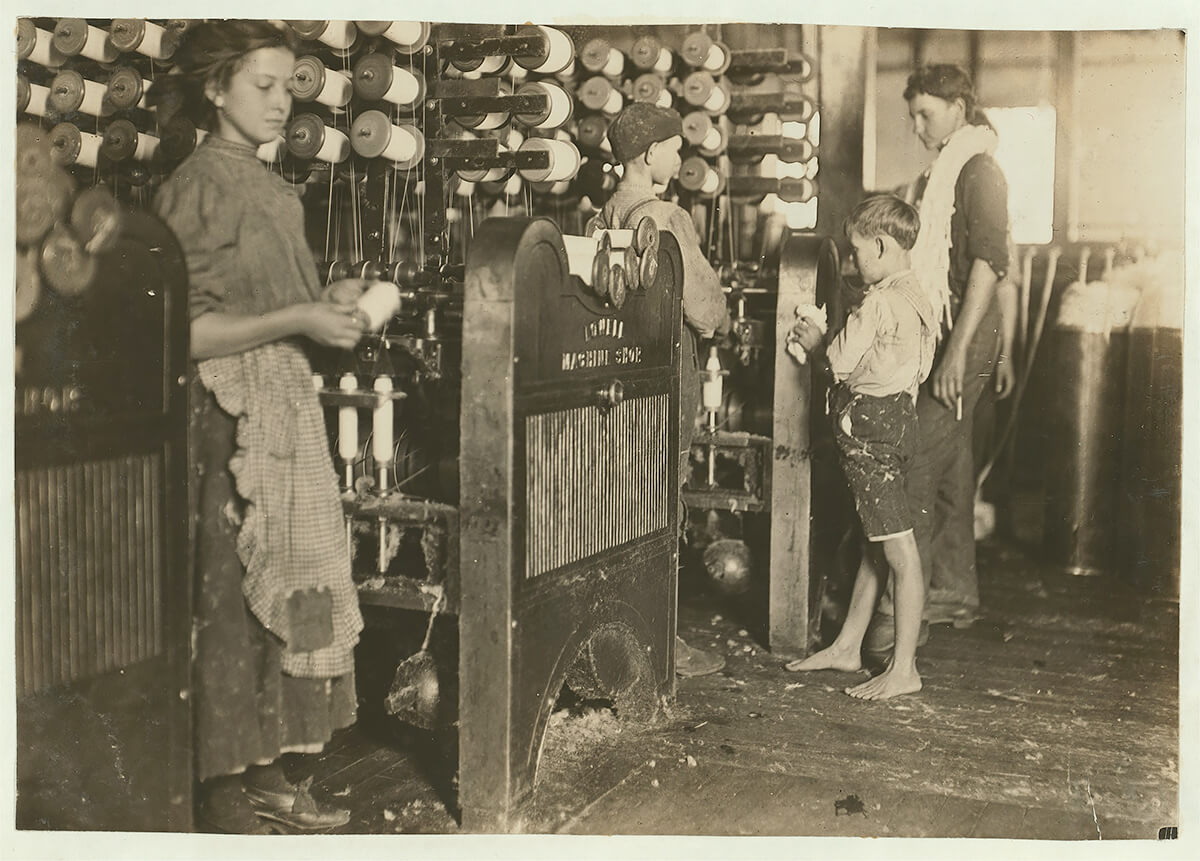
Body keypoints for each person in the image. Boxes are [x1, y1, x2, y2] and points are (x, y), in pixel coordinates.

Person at [151, 21, 373, 833]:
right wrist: (300, 314)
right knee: (240, 601)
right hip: (228, 425)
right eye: (263, 86)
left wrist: (330, 306)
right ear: (215, 90)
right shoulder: (199, 185)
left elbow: (278, 308)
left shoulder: (269, 185)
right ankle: (223, 786)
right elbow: (183, 331)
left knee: (307, 586)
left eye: (291, 86)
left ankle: (283, 768)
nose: (283, 103)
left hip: (283, 404)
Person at [866, 65, 1010, 652]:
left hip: (962, 335)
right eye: (914, 114)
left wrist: (956, 353)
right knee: (952, 462)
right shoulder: (946, 170)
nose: (919, 125)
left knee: (917, 460)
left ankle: (905, 608)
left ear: (959, 106)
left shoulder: (978, 170)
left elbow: (988, 264)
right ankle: (952, 588)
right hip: (955, 331)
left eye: (927, 113)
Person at [784, 195, 936, 700]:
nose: (851, 263)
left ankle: (905, 668)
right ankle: (849, 646)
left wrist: (813, 337)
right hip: (898, 423)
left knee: (899, 551)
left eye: (855, 253)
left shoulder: (878, 302)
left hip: (871, 431)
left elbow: (839, 364)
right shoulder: (918, 294)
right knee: (877, 539)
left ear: (879, 245)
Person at [603, 102, 732, 678]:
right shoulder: (668, 217)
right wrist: (721, 310)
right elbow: (707, 311)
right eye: (675, 147)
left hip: (620, 370)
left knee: (621, 494)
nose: (681, 157)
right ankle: (665, 639)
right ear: (651, 153)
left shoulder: (604, 212)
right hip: (669, 365)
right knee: (664, 493)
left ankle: (623, 628)